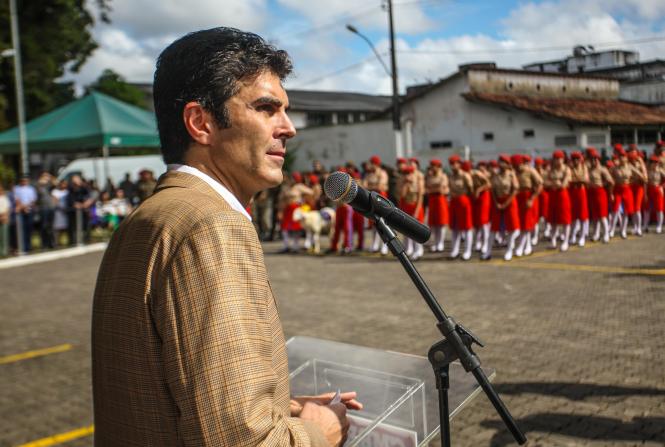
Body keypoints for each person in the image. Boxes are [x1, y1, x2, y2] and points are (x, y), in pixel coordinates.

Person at [92, 28, 359, 447]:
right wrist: (317, 431)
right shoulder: (211, 225)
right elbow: (239, 441)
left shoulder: (151, 215)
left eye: (284, 110)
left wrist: (278, 408)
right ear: (202, 123)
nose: (288, 128)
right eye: (267, 108)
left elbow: (167, 389)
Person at [484, 155, 520, 261]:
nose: (500, 164)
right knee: (493, 228)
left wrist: (505, 204)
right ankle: (488, 252)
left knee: (511, 228)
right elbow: (493, 191)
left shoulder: (511, 175)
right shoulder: (495, 175)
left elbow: (515, 190)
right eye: (500, 162)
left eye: (503, 162)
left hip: (509, 202)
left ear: (507, 164)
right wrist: (496, 203)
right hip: (498, 202)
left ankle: (509, 250)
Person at [514, 154, 543, 257]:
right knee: (521, 223)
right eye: (515, 165)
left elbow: (540, 185)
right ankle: (528, 246)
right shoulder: (514, 172)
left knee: (526, 224)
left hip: (528, 197)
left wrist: (531, 198)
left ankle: (521, 247)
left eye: (518, 165)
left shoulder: (530, 171)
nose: (516, 167)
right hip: (518, 198)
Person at [448, 155, 474, 260]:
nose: (453, 166)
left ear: (459, 164)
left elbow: (470, 189)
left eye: (455, 163)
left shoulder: (465, 176)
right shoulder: (451, 176)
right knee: (455, 227)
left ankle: (468, 251)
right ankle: (455, 250)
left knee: (467, 227)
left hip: (463, 201)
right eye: (451, 164)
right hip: (454, 202)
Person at [547, 150, 573, 251]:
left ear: (563, 159)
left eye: (560, 158)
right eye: (556, 159)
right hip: (553, 195)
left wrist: (557, 184)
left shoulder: (566, 169)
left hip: (563, 195)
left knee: (565, 219)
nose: (558, 161)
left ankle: (565, 241)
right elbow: (546, 182)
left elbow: (564, 183)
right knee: (553, 219)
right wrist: (554, 183)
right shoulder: (551, 170)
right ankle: (553, 241)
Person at [398, 164, 425, 260]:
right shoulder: (404, 183)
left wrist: (417, 212)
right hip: (407, 206)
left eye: (409, 173)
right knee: (406, 229)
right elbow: (402, 195)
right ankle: (409, 249)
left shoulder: (418, 182)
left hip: (416, 207)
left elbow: (420, 198)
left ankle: (418, 250)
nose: (407, 175)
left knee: (416, 230)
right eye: (405, 173)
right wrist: (406, 184)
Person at [587, 149, 614, 243]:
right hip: (591, 193)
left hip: (600, 192)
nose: (593, 161)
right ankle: (596, 234)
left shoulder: (602, 169)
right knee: (595, 216)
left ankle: (606, 233)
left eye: (595, 159)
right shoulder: (589, 169)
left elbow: (611, 182)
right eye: (591, 159)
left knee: (602, 215)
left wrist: (609, 193)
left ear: (598, 159)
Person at [364, 155, 389, 254]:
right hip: (372, 198)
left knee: (383, 223)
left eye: (371, 163)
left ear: (376, 164)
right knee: (374, 223)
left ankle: (385, 246)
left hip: (380, 198)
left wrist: (370, 186)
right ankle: (375, 244)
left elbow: (380, 186)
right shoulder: (369, 174)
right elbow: (364, 185)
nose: (370, 166)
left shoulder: (382, 173)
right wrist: (372, 186)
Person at [425, 159, 449, 252]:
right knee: (433, 223)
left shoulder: (443, 176)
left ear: (438, 167)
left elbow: (441, 189)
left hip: (440, 200)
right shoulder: (429, 176)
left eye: (434, 166)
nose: (432, 168)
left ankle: (441, 243)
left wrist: (433, 188)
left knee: (441, 222)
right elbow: (427, 189)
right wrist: (435, 188)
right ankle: (436, 242)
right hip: (432, 200)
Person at [568, 151, 589, 247]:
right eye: (574, 159)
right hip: (572, 192)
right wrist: (578, 180)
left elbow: (585, 180)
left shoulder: (584, 168)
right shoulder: (569, 169)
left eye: (577, 159)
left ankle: (582, 237)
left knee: (583, 216)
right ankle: (572, 236)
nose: (576, 161)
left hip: (581, 192)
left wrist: (576, 180)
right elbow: (569, 180)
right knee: (573, 216)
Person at [13, 175, 37, 252]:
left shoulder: (31, 189)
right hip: (21, 211)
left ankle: (29, 246)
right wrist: (22, 207)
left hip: (29, 210)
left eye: (25, 180)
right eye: (23, 180)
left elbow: (33, 200)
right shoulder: (16, 188)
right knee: (21, 229)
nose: (24, 182)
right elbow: (16, 199)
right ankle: (22, 246)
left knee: (29, 229)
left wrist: (27, 207)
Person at [36, 172, 56, 249]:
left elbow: (56, 183)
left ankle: (52, 243)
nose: (46, 178)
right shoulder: (38, 186)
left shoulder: (49, 186)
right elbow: (38, 188)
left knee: (51, 226)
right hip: (43, 208)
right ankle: (44, 244)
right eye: (44, 177)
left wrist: (50, 176)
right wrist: (41, 180)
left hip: (51, 208)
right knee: (44, 226)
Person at [646, 154, 665, 233]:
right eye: (652, 162)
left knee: (659, 209)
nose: (654, 163)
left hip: (657, 189)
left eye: (655, 162)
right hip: (649, 189)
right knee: (647, 208)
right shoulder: (647, 170)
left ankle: (659, 225)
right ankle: (645, 225)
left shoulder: (660, 170)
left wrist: (662, 186)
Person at [51, 180, 69, 246]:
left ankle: (61, 242)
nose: (63, 185)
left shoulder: (68, 192)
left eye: (65, 184)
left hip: (65, 212)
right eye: (62, 184)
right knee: (56, 228)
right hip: (58, 211)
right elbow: (54, 201)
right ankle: (55, 242)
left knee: (63, 228)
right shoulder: (55, 191)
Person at [0, 184, 9, 257]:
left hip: (3, 218)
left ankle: (4, 252)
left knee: (4, 236)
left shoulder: (4, 198)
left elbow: (6, 208)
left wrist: (4, 216)